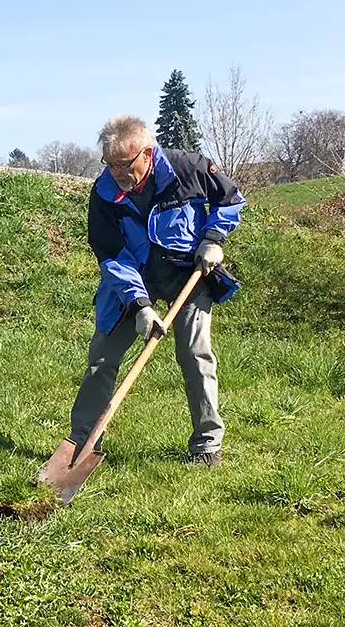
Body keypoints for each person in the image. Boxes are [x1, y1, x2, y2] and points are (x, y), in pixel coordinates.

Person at [67, 116, 245, 467]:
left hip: (186, 273)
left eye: (123, 163)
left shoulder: (189, 168)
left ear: (147, 154)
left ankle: (207, 445)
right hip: (133, 276)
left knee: (195, 355)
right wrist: (141, 306)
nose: (116, 172)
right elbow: (112, 255)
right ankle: (82, 443)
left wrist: (213, 240)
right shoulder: (103, 193)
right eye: (109, 163)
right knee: (101, 358)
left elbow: (229, 200)